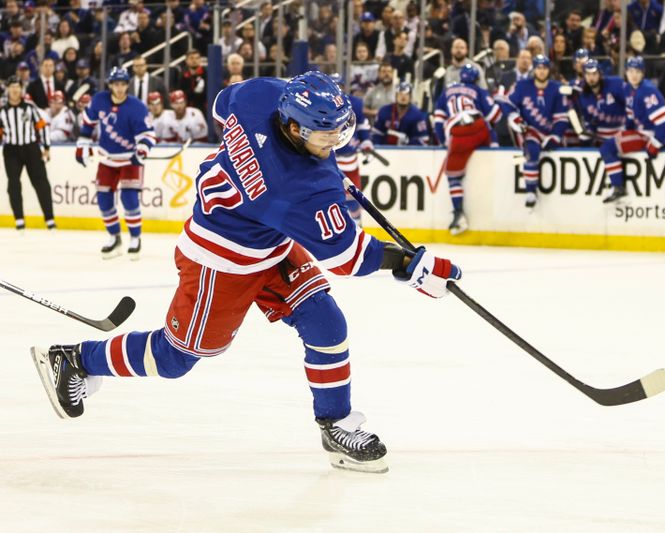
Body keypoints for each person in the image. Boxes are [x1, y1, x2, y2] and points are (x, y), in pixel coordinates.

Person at [30, 71, 462, 475]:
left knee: (326, 322)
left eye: (339, 130)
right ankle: (76, 359)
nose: (335, 141)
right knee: (175, 357)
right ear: (294, 129)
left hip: (266, 239)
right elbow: (350, 257)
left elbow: (223, 104)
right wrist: (414, 266)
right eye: (326, 135)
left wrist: (316, 161)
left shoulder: (262, 96)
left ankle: (336, 424)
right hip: (221, 260)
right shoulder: (301, 190)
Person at [76, 67, 156, 259]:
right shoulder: (99, 100)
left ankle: (135, 238)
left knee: (129, 199)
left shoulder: (137, 107)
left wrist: (142, 150)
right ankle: (114, 237)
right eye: (116, 84)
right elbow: (87, 124)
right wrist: (82, 145)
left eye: (123, 84)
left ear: (127, 85)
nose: (119, 88)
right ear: (110, 85)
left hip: (129, 159)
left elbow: (148, 135)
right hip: (107, 158)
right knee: (104, 200)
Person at [433, 64, 502, 235]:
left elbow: (438, 120)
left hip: (459, 133)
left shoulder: (447, 90)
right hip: (479, 126)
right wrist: (498, 99)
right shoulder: (478, 90)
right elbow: (495, 116)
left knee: (453, 176)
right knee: (491, 137)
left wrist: (444, 141)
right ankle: (495, 147)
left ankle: (459, 214)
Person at [600, 56, 665, 203]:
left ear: (643, 73)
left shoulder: (648, 91)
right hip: (641, 132)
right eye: (631, 71)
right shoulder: (628, 89)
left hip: (649, 135)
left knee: (607, 148)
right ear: (626, 72)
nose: (634, 75)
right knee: (609, 145)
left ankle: (618, 187)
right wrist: (626, 131)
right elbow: (631, 118)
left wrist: (655, 143)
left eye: (637, 71)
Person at [502, 54, 568, 209]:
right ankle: (531, 190)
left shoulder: (556, 89)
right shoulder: (522, 86)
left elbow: (562, 118)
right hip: (529, 131)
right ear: (534, 69)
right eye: (539, 68)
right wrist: (513, 116)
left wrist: (556, 136)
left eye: (545, 68)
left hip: (549, 132)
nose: (542, 71)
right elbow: (506, 103)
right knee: (532, 149)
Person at [0, 76, 54, 232]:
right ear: (8, 90)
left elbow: (42, 127)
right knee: (13, 184)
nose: (15, 90)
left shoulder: (30, 107)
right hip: (11, 150)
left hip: (31, 149)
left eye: (17, 86)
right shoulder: (2, 111)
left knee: (41, 183)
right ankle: (19, 219)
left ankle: (49, 219)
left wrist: (47, 147)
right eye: (12, 87)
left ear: (21, 89)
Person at [330, 73, 372, 225]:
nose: (336, 91)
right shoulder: (321, 105)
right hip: (328, 159)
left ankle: (357, 225)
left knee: (352, 195)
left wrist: (366, 141)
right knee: (331, 196)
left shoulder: (355, 103)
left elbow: (362, 125)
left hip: (349, 158)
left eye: (339, 87)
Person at [573, 58, 627, 146]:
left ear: (600, 74)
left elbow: (630, 104)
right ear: (584, 76)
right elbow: (588, 121)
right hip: (600, 140)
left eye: (594, 74)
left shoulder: (615, 84)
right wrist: (588, 132)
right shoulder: (583, 95)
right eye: (588, 74)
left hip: (621, 134)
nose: (591, 77)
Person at [371, 81, 430, 146]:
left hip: (409, 153)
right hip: (387, 151)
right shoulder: (384, 111)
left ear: (410, 97)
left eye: (406, 94)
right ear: (396, 96)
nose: (403, 97)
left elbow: (424, 141)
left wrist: (405, 141)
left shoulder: (418, 115)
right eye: (400, 94)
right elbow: (375, 135)